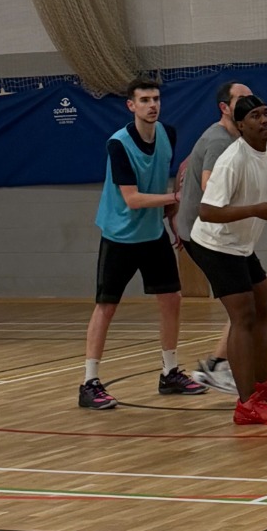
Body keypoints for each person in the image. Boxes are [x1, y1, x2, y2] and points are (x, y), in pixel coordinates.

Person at [81, 73, 204, 410]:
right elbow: (133, 199)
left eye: (156, 99)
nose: (152, 106)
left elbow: (161, 181)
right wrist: (175, 198)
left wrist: (173, 218)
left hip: (152, 234)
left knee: (172, 298)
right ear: (131, 105)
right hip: (120, 236)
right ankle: (89, 383)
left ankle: (169, 373)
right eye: (145, 100)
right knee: (106, 307)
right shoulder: (118, 144)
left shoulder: (168, 134)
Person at [190, 94, 267, 425]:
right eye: (256, 116)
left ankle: (262, 381)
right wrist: (254, 210)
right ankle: (247, 404)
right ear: (241, 125)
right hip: (214, 244)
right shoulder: (233, 160)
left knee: (264, 300)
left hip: (240, 244)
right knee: (243, 315)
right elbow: (207, 211)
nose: (265, 120)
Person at [176, 76, 254, 393]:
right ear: (225, 107)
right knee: (243, 305)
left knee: (258, 297)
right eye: (242, 99)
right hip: (204, 236)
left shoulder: (241, 138)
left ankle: (223, 364)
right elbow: (210, 185)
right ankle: (218, 366)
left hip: (222, 233)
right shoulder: (220, 141)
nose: (251, 104)